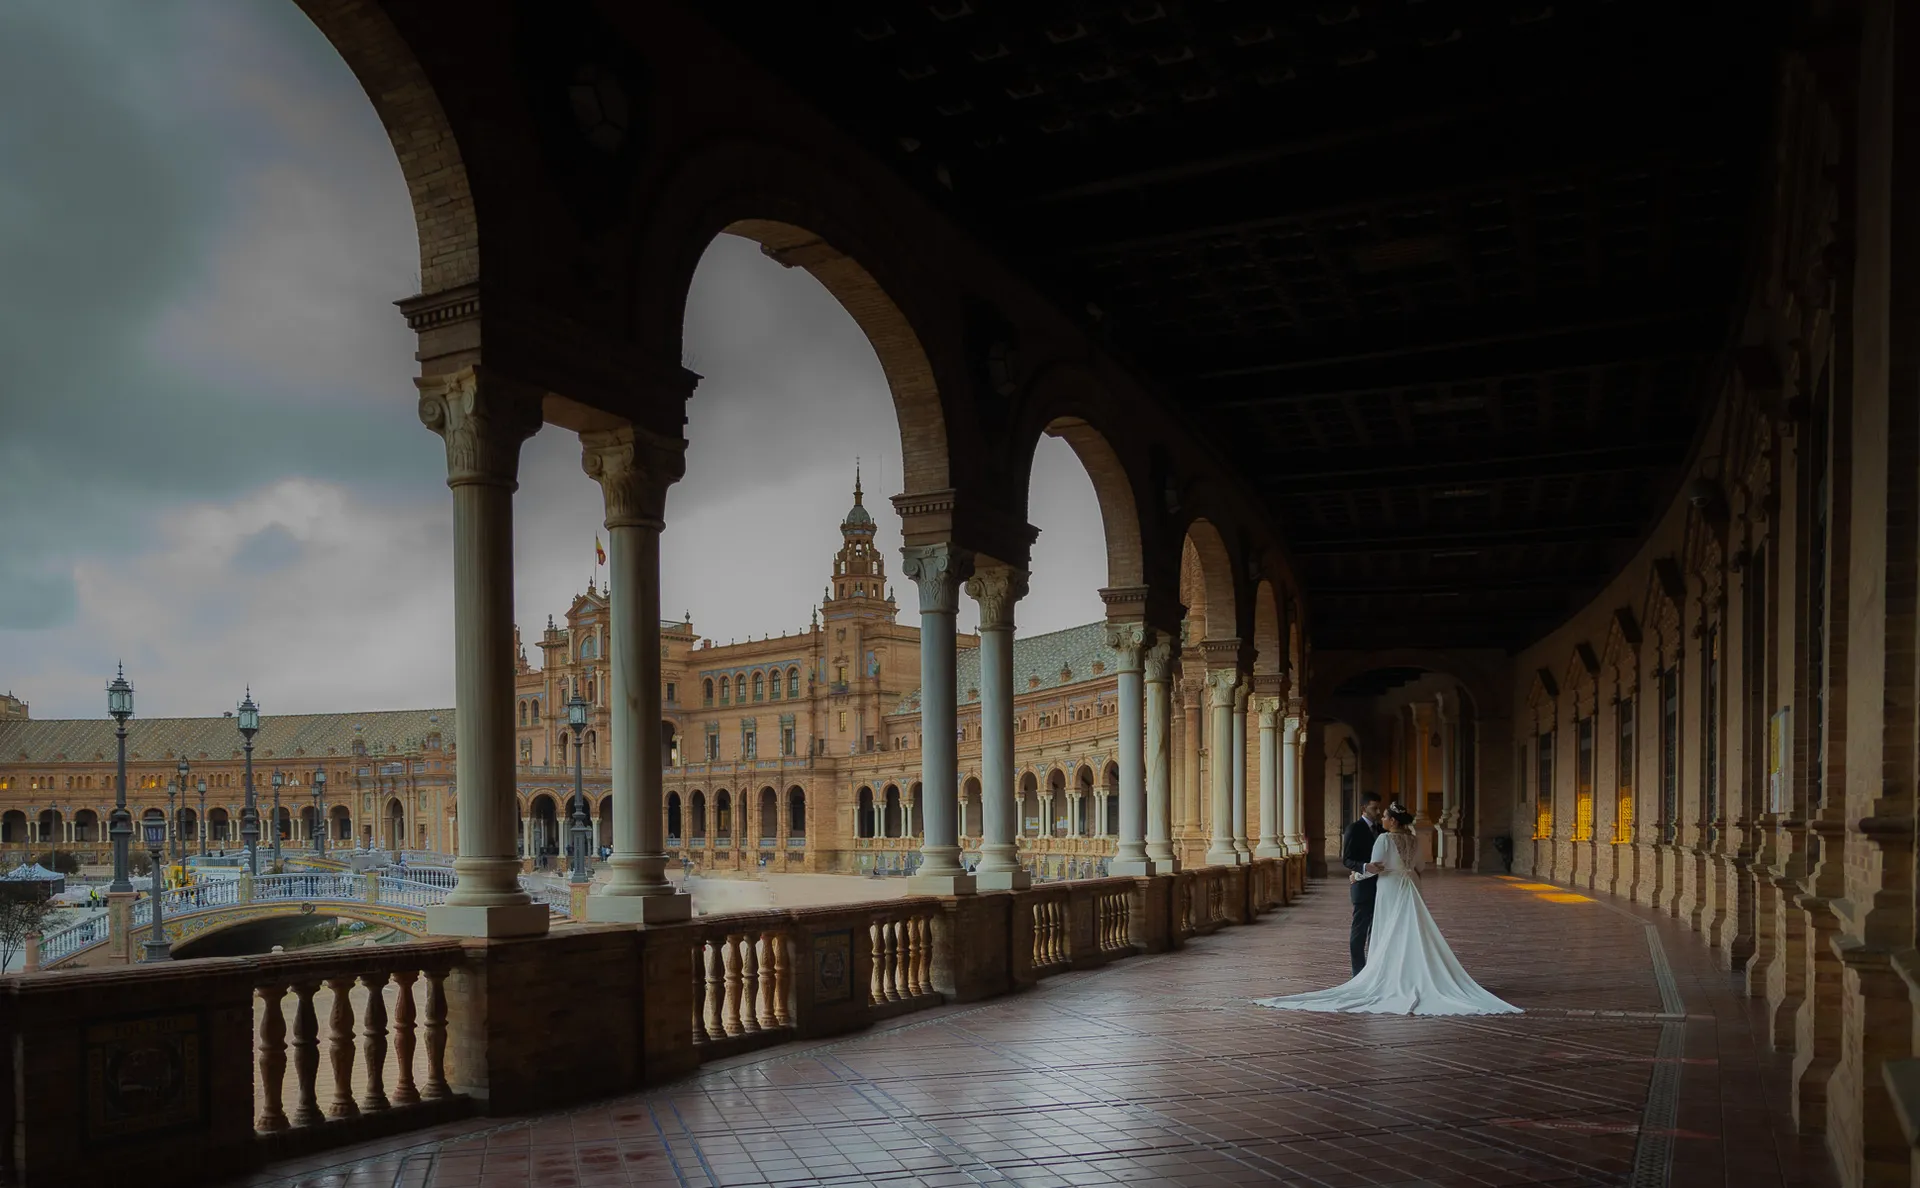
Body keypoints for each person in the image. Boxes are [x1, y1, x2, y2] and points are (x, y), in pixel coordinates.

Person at [1255, 807, 1520, 1016]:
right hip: (1411, 884)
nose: (1382, 818)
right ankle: (1415, 972)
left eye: (1385, 816)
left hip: (1390, 886)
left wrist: (1356, 877)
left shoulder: (1383, 838)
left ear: (1393, 820)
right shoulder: (1414, 840)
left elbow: (1376, 866)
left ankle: (1390, 974)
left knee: (1388, 929)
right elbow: (1421, 867)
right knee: (1410, 929)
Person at [1342, 792, 1385, 976]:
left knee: (1376, 933)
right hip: (1362, 889)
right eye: (1374, 808)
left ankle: (1373, 973)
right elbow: (1347, 859)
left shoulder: (1382, 831)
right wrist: (1364, 867)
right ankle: (1358, 973)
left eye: (1379, 808)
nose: (1378, 811)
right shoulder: (1354, 829)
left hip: (1383, 888)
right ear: (1363, 808)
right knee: (1359, 933)